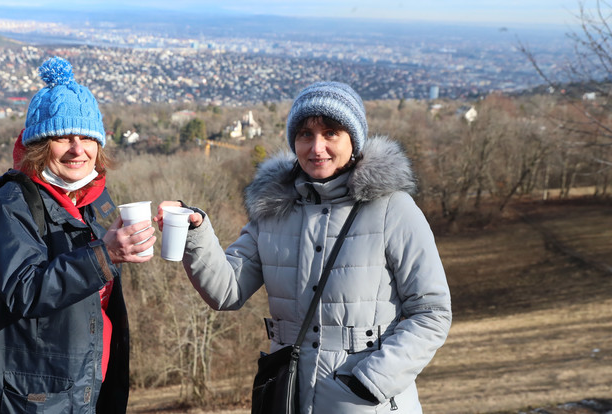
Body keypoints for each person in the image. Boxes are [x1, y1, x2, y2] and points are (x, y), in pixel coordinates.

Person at [156, 81, 451, 413]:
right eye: (306, 135)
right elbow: (226, 291)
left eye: (330, 133)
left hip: (367, 400)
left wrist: (371, 382)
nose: (317, 147)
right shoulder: (272, 210)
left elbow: (432, 312)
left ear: (353, 140)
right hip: (289, 396)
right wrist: (196, 234)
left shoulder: (392, 209)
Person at [0, 56, 155, 413]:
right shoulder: (9, 206)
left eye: (86, 137)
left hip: (87, 385)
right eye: (63, 137)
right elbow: (23, 290)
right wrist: (105, 255)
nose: (77, 148)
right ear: (39, 145)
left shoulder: (91, 199)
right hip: (30, 396)